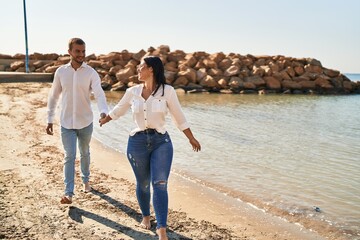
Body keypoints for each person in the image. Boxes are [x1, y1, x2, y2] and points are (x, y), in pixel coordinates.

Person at [99, 56, 201, 240]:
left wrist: (191, 138)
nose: (138, 70)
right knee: (144, 184)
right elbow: (119, 109)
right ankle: (146, 216)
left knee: (160, 184)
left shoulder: (167, 91)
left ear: (151, 69)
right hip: (137, 142)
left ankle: (161, 228)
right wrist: (105, 119)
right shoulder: (133, 91)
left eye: (141, 67)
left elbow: (179, 116)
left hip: (161, 142)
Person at [46, 37, 108, 204]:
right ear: (69, 52)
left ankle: (86, 179)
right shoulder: (61, 72)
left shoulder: (91, 73)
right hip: (66, 122)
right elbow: (54, 96)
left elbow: (99, 93)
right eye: (77, 51)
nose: (81, 55)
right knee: (69, 155)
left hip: (85, 121)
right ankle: (68, 193)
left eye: (83, 51)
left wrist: (103, 112)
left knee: (85, 152)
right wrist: (49, 119)